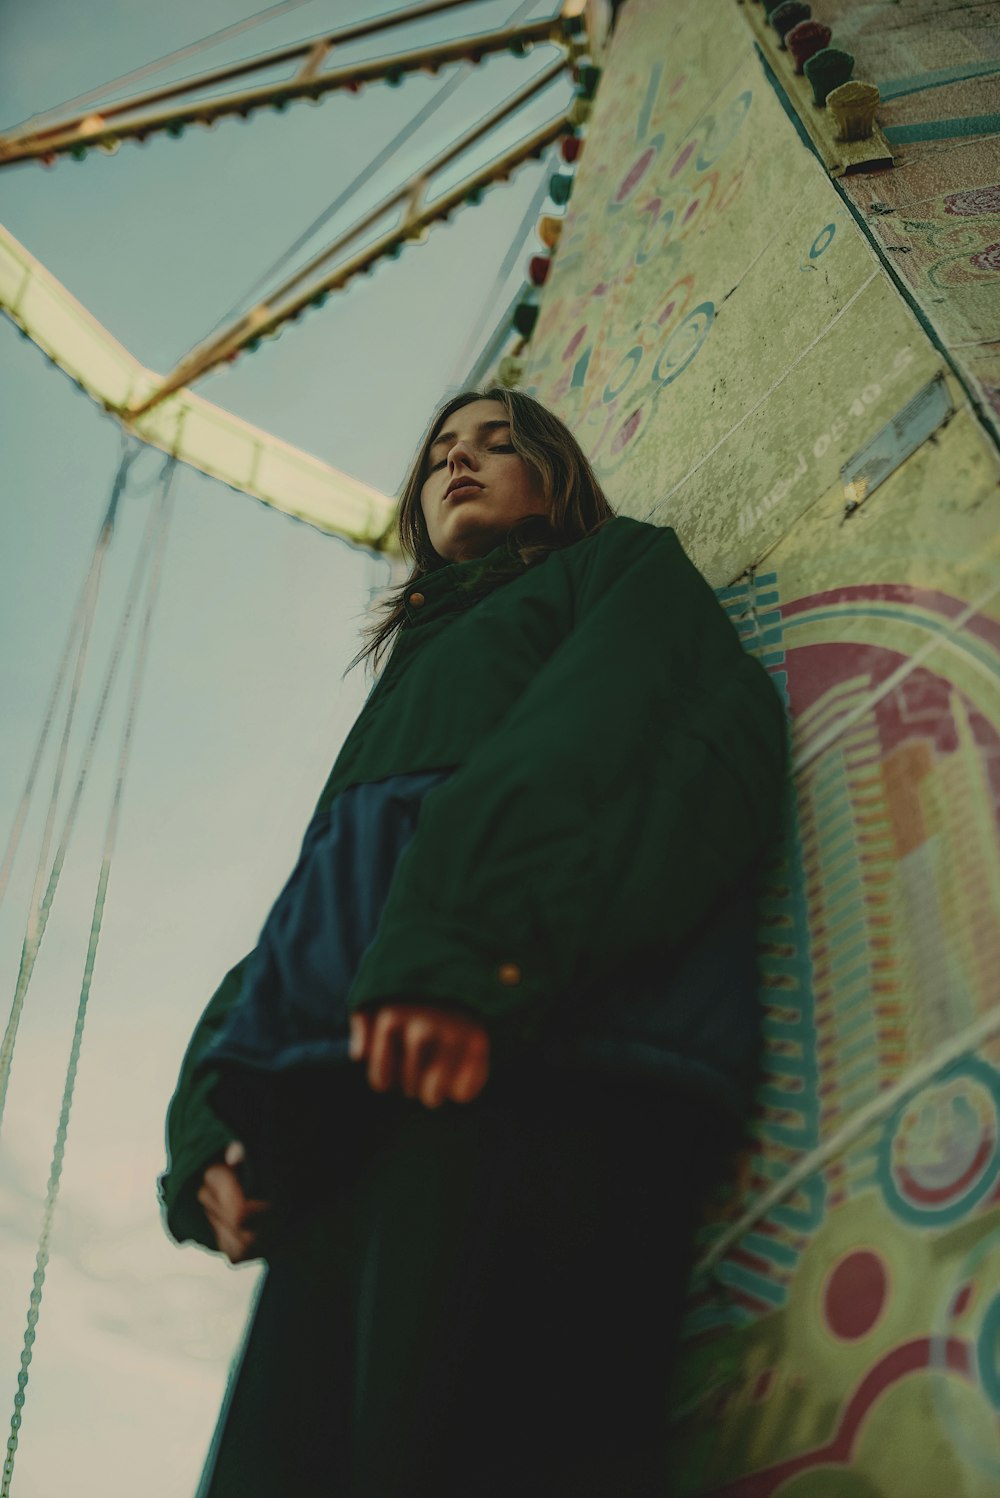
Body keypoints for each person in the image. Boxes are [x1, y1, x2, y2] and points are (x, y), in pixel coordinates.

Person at [158, 388, 788, 1497]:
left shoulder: (619, 571)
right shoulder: (412, 673)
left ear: (557, 475)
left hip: (540, 1061)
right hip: (353, 1097)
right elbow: (323, 894)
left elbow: (613, 743)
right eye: (441, 452)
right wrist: (208, 1123)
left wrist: (472, 947)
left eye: (499, 443)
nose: (459, 462)